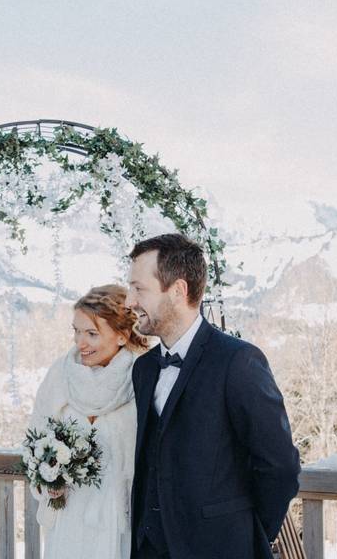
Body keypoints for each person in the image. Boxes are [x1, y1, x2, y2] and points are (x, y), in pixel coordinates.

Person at [126, 234, 301, 559]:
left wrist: (248, 535)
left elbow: (280, 468)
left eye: (139, 289)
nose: (129, 301)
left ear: (178, 291)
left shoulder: (238, 362)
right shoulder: (144, 369)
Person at [29, 284, 149, 559]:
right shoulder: (61, 375)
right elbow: (34, 441)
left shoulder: (143, 377)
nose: (80, 343)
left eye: (92, 334)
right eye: (76, 331)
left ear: (121, 336)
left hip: (120, 522)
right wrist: (47, 481)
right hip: (69, 519)